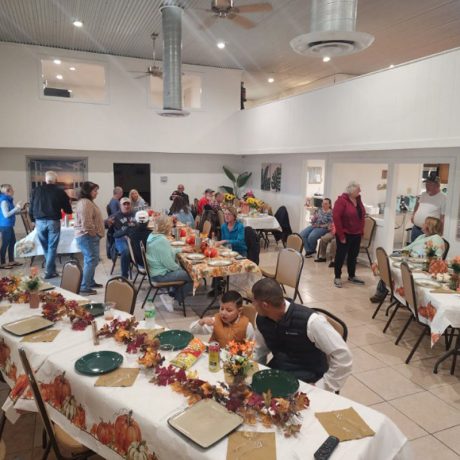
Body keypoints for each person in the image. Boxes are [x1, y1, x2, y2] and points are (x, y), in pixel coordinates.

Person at [251, 278, 352, 392]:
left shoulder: (312, 321)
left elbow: (343, 357)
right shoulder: (261, 319)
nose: (252, 304)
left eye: (254, 300)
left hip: (309, 379)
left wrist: (322, 387)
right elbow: (260, 350)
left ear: (265, 305)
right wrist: (255, 374)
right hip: (279, 373)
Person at [370, 216, 446, 303]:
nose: (422, 224)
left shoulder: (436, 239)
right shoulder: (422, 236)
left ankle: (386, 292)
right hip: (410, 257)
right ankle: (384, 290)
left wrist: (408, 256)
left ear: (430, 226)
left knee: (391, 266)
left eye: (425, 223)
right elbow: (410, 248)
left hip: (420, 265)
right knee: (388, 262)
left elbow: (435, 259)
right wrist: (401, 253)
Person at [29, 170, 72, 279]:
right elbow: (68, 210)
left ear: (45, 179)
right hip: (53, 221)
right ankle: (49, 271)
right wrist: (68, 205)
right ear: (56, 180)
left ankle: (52, 270)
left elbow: (31, 207)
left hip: (39, 221)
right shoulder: (60, 191)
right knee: (52, 247)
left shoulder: (36, 190)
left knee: (46, 247)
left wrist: (32, 220)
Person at [146, 215, 193, 312]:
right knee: (192, 276)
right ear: (166, 227)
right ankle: (173, 298)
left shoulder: (153, 236)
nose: (171, 227)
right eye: (170, 226)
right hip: (160, 275)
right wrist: (180, 269)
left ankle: (171, 293)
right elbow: (169, 264)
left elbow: (166, 251)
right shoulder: (161, 240)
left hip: (155, 271)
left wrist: (181, 249)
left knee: (184, 271)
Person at [190, 291, 255, 347]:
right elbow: (193, 330)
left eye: (229, 310)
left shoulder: (247, 326)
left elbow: (251, 347)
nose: (223, 313)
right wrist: (202, 321)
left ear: (239, 311)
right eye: (222, 308)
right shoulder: (216, 320)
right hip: (215, 355)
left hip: (235, 359)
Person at [332, 181, 366, 288]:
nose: (360, 191)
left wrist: (361, 231)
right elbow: (336, 218)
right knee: (340, 256)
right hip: (345, 233)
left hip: (356, 234)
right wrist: (341, 235)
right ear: (351, 191)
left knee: (353, 256)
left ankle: (352, 276)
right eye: (358, 189)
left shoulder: (358, 200)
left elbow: (361, 216)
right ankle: (337, 277)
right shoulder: (341, 201)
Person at [74, 182, 105, 294]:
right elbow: (86, 224)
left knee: (93, 260)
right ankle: (84, 286)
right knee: (91, 260)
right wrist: (94, 234)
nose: (97, 193)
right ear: (88, 191)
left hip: (89, 236)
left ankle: (90, 282)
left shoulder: (87, 202)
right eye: (95, 190)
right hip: (87, 236)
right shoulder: (85, 203)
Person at [411, 172, 446, 242]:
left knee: (424, 251)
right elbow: (418, 205)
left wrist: (440, 233)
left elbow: (442, 218)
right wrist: (413, 215)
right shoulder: (424, 194)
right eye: (426, 183)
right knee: (413, 249)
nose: (426, 186)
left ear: (437, 185)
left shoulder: (444, 198)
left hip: (429, 232)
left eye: (430, 184)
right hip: (416, 228)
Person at [112, 197, 136, 278]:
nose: (126, 206)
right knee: (125, 251)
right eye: (124, 204)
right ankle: (124, 276)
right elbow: (105, 223)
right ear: (120, 206)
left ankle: (144, 269)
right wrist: (108, 223)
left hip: (133, 238)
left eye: (128, 204)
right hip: (121, 238)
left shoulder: (134, 213)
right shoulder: (116, 216)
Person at [0, 184, 23, 269]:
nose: (14, 191)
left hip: (8, 225)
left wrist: (18, 211)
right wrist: (16, 208)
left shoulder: (8, 200)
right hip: (5, 226)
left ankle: (11, 261)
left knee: (12, 242)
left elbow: (10, 212)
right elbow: (6, 215)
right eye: (12, 190)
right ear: (7, 191)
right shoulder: (4, 201)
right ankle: (2, 263)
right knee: (5, 244)